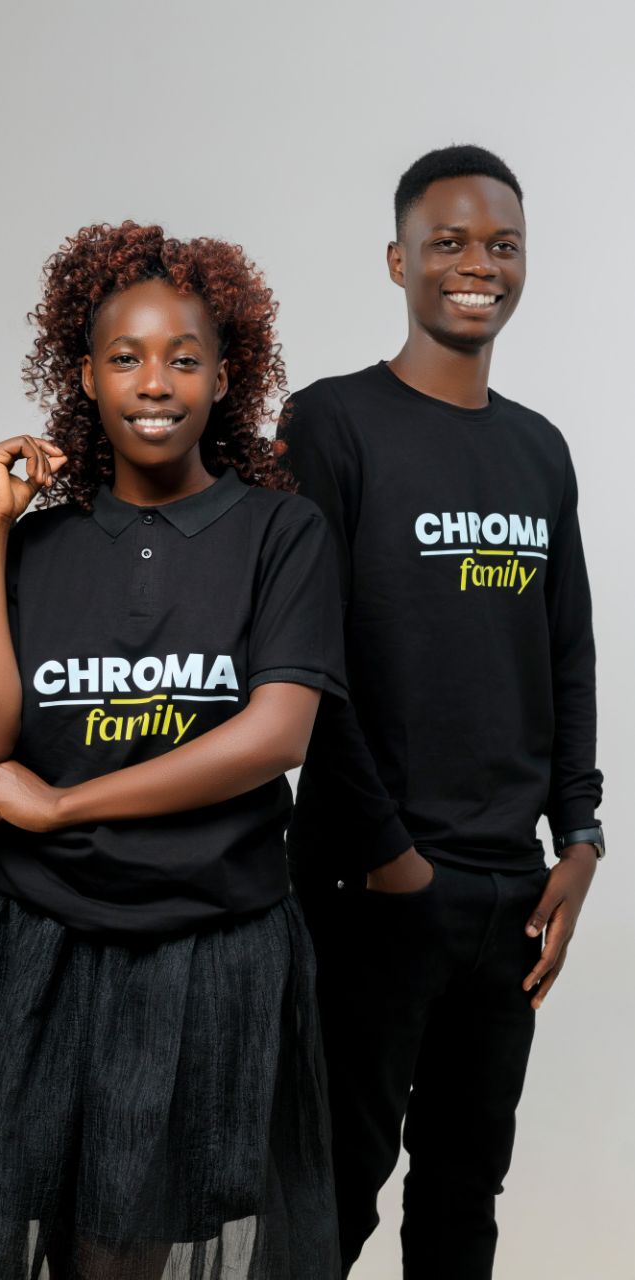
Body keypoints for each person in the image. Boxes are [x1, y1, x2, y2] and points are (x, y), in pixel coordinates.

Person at [0, 222, 347, 1280]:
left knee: (125, 1254)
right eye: (124, 356)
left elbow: (276, 735)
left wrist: (64, 805)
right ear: (84, 375)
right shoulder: (36, 544)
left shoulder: (280, 534)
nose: (153, 383)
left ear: (225, 375)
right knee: (11, 1242)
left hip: (207, 951)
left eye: (183, 357)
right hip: (32, 949)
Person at [277, 146, 604, 1279]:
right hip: (370, 886)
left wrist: (579, 833)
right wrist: (389, 858)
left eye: (501, 245)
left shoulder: (537, 448)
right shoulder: (328, 423)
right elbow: (306, 662)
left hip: (507, 891)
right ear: (397, 260)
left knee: (464, 1195)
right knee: (324, 1198)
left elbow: (565, 650)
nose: (478, 265)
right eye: (449, 242)